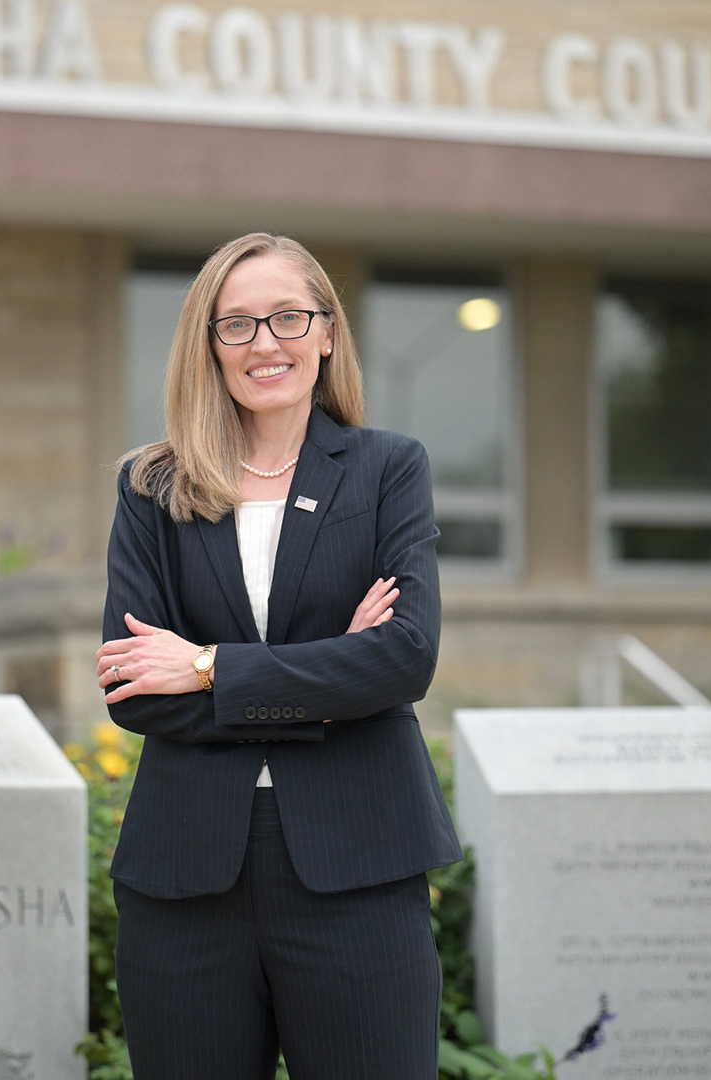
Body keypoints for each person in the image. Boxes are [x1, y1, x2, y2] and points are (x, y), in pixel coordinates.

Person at [94, 232, 461, 1079]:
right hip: (186, 880)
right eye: (238, 325)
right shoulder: (153, 486)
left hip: (358, 868)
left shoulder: (387, 470)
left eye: (288, 317)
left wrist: (210, 666)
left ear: (327, 333)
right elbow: (135, 691)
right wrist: (335, 672)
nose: (266, 343)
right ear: (209, 345)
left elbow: (405, 657)